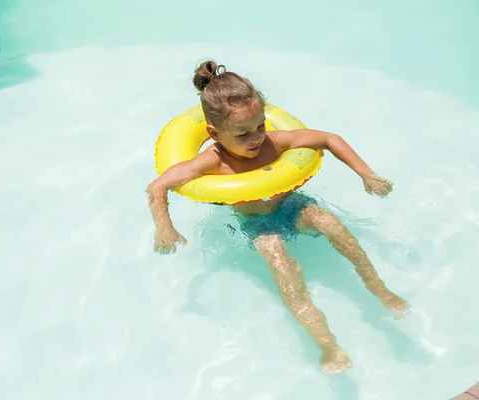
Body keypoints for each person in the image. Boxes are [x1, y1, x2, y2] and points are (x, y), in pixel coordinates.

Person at [146, 60, 410, 374]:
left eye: (260, 126)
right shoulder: (211, 162)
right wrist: (165, 227)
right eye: (242, 134)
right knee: (283, 266)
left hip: (292, 206)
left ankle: (382, 292)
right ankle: (326, 344)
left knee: (332, 224)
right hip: (257, 223)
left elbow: (329, 139)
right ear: (214, 133)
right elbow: (157, 187)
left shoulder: (275, 142)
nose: (256, 138)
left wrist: (366, 174)